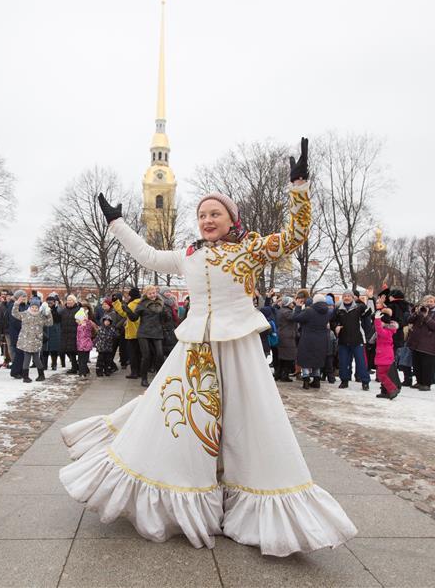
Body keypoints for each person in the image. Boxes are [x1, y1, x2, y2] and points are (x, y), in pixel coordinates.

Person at [60, 138, 357, 556]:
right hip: (195, 349)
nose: (207, 220)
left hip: (239, 351)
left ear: (231, 218)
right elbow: (147, 255)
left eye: (215, 213)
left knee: (246, 425)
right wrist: (117, 224)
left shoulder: (251, 249)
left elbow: (295, 235)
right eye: (202, 215)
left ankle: (246, 502)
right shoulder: (187, 255)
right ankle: (189, 497)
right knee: (177, 420)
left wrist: (299, 187)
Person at [123, 285, 169, 387]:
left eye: (154, 293)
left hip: (157, 332)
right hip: (144, 333)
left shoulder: (161, 304)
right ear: (146, 294)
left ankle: (158, 377)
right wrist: (128, 310)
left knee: (160, 355)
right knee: (146, 356)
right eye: (150, 293)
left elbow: (165, 320)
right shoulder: (141, 304)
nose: (152, 295)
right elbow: (134, 318)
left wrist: (166, 314)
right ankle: (144, 379)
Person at [331, 289, 372, 390]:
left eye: (349, 296)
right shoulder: (338, 309)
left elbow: (370, 313)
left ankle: (365, 382)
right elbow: (333, 321)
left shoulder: (359, 307)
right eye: (345, 296)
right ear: (342, 297)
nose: (347, 298)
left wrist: (370, 298)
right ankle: (344, 381)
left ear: (353, 297)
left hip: (357, 340)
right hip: (343, 340)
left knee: (361, 362)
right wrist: (336, 326)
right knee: (343, 362)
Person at [293, 292, 332, 390]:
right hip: (322, 339)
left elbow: (296, 318)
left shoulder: (309, 311)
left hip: (308, 338)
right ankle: (316, 380)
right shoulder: (328, 312)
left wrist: (298, 307)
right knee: (317, 359)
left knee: (306, 358)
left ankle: (306, 379)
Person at [11, 295, 52, 383]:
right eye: (32, 307)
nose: (34, 309)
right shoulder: (25, 314)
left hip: (36, 341)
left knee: (37, 359)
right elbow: (14, 313)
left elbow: (49, 323)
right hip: (26, 340)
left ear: (38, 308)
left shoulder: (41, 317)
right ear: (30, 306)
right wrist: (17, 304)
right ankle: (26, 376)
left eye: (36, 307)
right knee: (27, 358)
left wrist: (48, 313)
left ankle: (41, 375)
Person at [406, 295, 435, 390]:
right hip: (417, 342)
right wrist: (416, 312)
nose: (429, 303)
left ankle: (426, 383)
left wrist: (426, 316)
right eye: (427, 301)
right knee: (417, 363)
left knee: (427, 365)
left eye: (431, 301)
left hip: (429, 344)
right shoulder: (420, 310)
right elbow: (409, 320)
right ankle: (419, 381)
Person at [114, 288, 143, 378]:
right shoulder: (141, 303)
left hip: (132, 332)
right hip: (141, 332)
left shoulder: (132, 304)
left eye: (129, 295)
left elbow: (124, 313)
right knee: (140, 354)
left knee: (133, 354)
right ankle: (140, 372)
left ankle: (134, 372)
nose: (128, 297)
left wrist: (116, 303)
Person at [373, 307, 400, 399]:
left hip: (384, 356)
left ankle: (392, 389)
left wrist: (377, 320)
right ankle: (386, 391)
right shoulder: (389, 330)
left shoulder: (386, 332)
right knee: (384, 374)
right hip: (385, 355)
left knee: (381, 375)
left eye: (381, 322)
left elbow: (379, 330)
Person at [274, 296, 298, 382]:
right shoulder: (286, 312)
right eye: (292, 303)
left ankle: (278, 375)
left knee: (283, 358)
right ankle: (284, 376)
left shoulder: (282, 310)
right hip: (287, 337)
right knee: (288, 357)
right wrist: (298, 306)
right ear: (288, 303)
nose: (293, 304)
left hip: (284, 336)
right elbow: (295, 317)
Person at [58, 294, 82, 374]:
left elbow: (82, 321)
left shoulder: (78, 310)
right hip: (65, 334)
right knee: (69, 351)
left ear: (74, 301)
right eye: (68, 300)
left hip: (75, 333)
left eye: (70, 300)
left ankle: (80, 367)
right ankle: (75, 367)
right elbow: (57, 318)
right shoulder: (63, 310)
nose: (69, 301)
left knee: (76, 352)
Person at [75, 305, 97, 378]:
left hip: (86, 345)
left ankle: (83, 372)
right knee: (80, 360)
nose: (76, 321)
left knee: (84, 360)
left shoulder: (86, 325)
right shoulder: (79, 326)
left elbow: (89, 324)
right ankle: (81, 372)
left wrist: (86, 318)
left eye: (77, 320)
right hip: (80, 346)